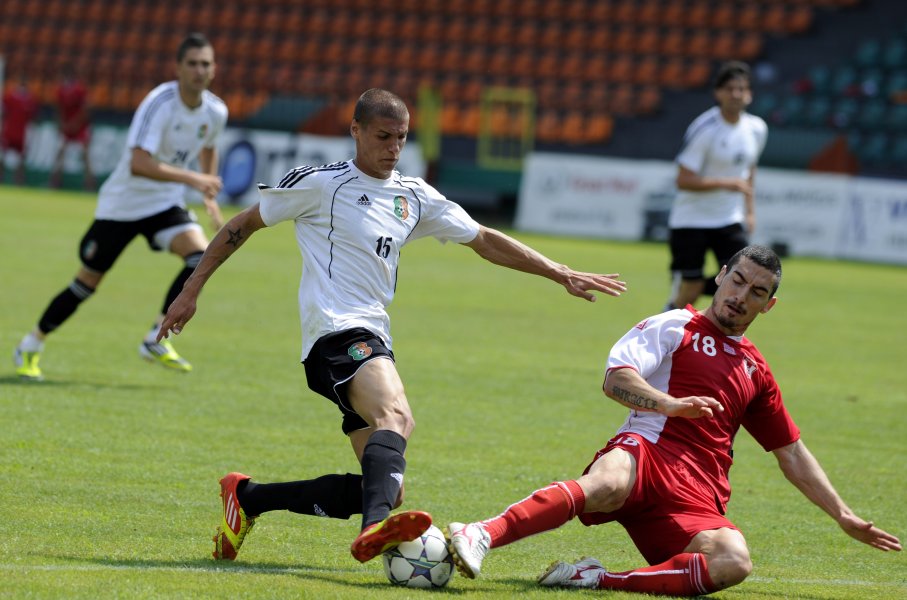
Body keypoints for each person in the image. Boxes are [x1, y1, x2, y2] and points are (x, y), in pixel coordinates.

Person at [155, 88, 627, 564]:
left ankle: (249, 497)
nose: (393, 147)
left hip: (370, 337)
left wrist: (559, 271)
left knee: (384, 487)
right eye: (382, 136)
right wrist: (191, 290)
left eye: (401, 138)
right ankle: (374, 529)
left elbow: (483, 239)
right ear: (356, 131)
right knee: (397, 418)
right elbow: (243, 224)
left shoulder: (413, 195)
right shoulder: (322, 185)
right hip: (335, 334)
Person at [449, 245, 901, 595]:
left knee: (733, 562)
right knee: (606, 484)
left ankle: (596, 579)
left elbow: (791, 452)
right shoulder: (673, 326)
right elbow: (615, 379)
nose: (741, 297)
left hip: (694, 499)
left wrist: (843, 515)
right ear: (720, 276)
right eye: (738, 281)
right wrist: (669, 405)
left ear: (768, 305)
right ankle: (481, 533)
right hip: (645, 453)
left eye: (757, 292)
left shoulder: (755, 370)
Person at [13, 33, 226, 381]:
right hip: (123, 205)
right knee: (87, 284)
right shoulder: (159, 103)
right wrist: (194, 180)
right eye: (192, 63)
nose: (199, 70)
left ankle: (154, 337)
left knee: (201, 256)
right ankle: (31, 344)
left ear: (214, 69)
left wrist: (209, 193)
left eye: (205, 63)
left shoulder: (216, 110)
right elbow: (138, 163)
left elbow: (209, 147)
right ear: (178, 68)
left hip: (164, 203)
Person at [664, 61, 767, 311]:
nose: (736, 94)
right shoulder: (705, 129)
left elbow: (749, 171)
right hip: (691, 221)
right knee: (689, 290)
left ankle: (722, 341)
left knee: (745, 278)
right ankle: (660, 332)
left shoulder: (756, 129)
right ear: (718, 93)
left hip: (728, 219)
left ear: (749, 94)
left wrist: (750, 212)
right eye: (730, 88)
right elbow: (683, 180)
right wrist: (726, 183)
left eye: (741, 89)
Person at [49, 64, 96, 190]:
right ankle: (55, 181)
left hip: (80, 127)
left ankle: (89, 183)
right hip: (67, 127)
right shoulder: (60, 90)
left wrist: (75, 124)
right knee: (60, 152)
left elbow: (86, 109)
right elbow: (58, 109)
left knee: (85, 154)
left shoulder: (80, 89)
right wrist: (61, 124)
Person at [0, 74, 39, 185]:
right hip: (10, 131)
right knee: (3, 154)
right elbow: (3, 113)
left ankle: (19, 180)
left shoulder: (31, 99)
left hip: (22, 133)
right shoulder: (10, 96)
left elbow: (33, 117)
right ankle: (1, 177)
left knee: (21, 157)